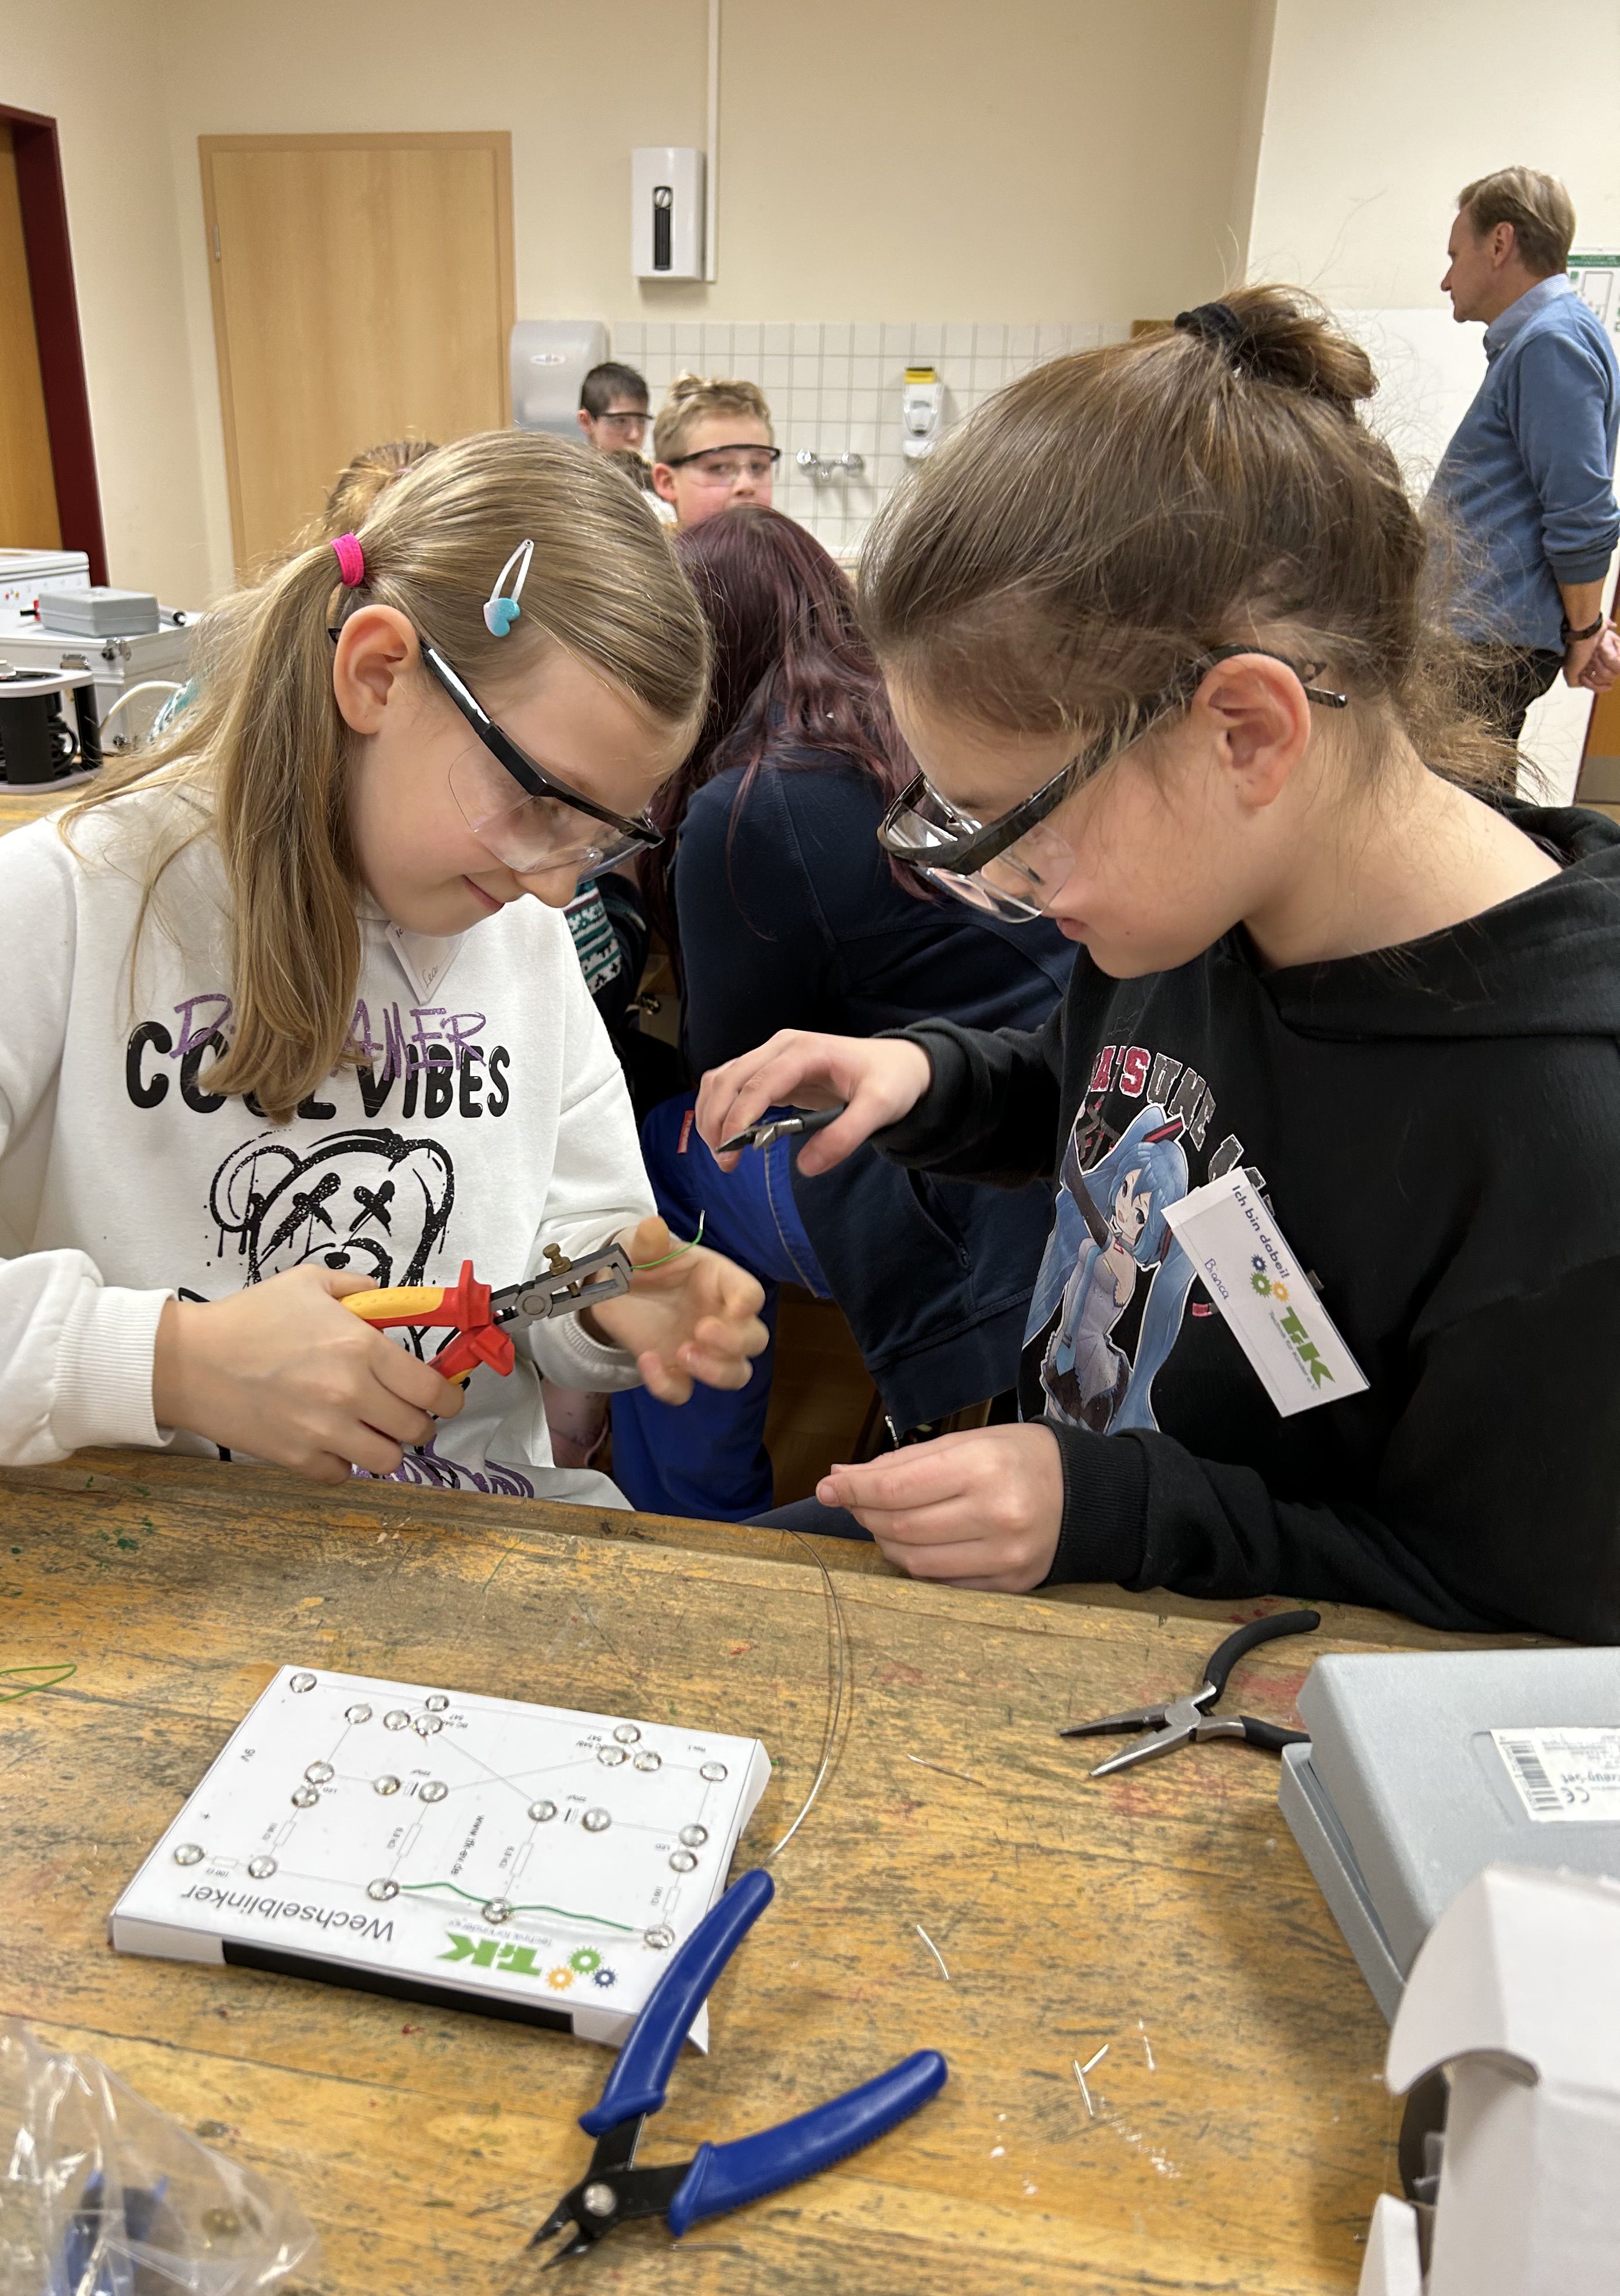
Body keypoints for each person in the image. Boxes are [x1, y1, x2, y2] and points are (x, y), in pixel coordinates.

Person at [698, 287, 1620, 1644]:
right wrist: (935, 1079)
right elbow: (1126, 1102)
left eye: (1023, 829)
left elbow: (1489, 1613)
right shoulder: (1206, 903)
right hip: (1080, 1559)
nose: (1003, 891)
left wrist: (1112, 1508)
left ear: (1244, 730)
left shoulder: (1562, 1147)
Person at [0, 434, 767, 1503]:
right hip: (141, 1554)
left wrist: (611, 1294)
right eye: (536, 803)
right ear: (377, 673)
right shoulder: (66, 899)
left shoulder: (516, 937)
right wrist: (167, 1363)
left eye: (598, 836)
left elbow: (561, 1238)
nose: (555, 887)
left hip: (445, 1541)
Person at [608, 505, 1074, 1520]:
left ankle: (690, 1515)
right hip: (1049, 1133)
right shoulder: (911, 735)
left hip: (956, 1166)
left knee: (661, 1156)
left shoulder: (748, 803)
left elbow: (732, 1073)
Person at [1431, 167, 1620, 737]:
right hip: (1484, 638)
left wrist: (1585, 635)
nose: (1446, 280)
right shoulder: (1543, 339)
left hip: (1485, 645)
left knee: (1458, 817)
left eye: (1454, 254)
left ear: (1499, 243)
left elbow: (1582, 510)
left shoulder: (1551, 341)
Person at [650, 374, 779, 528]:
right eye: (719, 468)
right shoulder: (649, 552)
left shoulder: (790, 550)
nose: (746, 485)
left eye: (757, 467)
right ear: (668, 482)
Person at [577, 362, 653, 459]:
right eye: (621, 421)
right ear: (586, 421)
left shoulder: (654, 473)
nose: (635, 436)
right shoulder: (569, 473)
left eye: (641, 421)